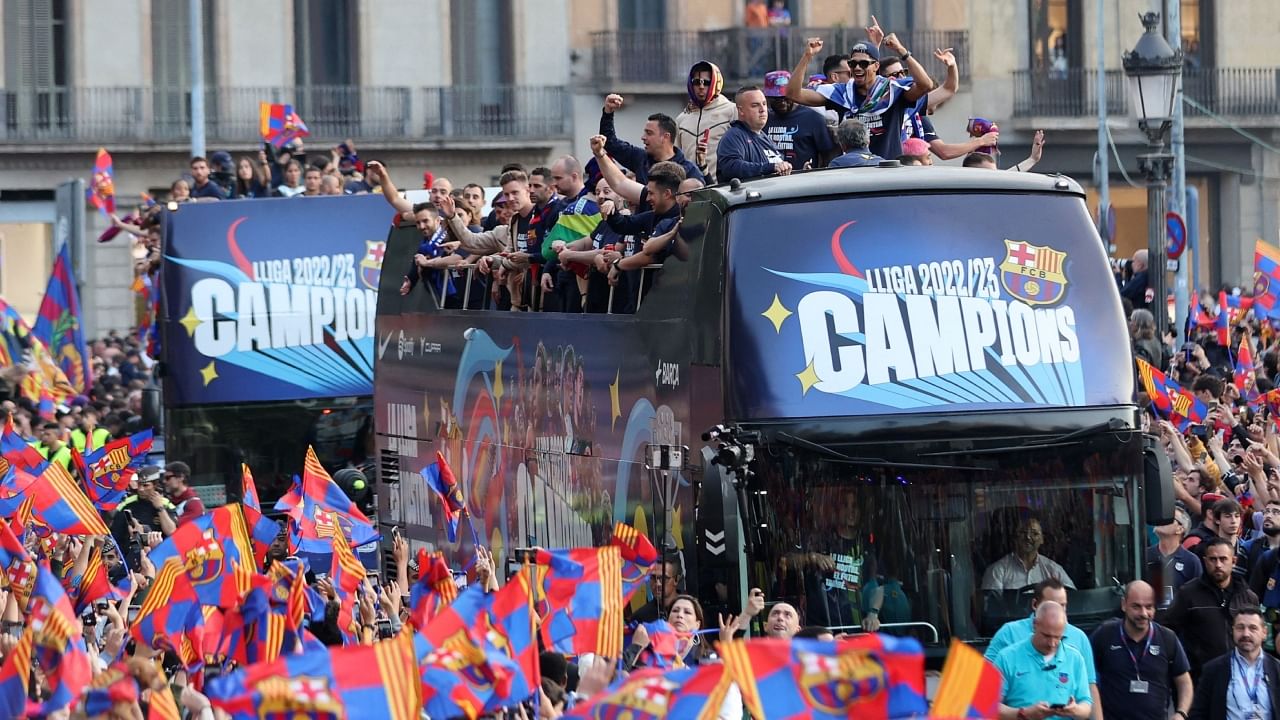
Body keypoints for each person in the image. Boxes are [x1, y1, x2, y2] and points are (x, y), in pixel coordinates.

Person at [784, 36, 932, 160]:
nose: (857, 68)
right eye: (852, 63)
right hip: (856, 173)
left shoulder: (892, 90)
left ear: (876, 66)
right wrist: (807, 57)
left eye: (863, 63)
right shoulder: (842, 93)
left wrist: (902, 51)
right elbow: (793, 94)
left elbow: (926, 84)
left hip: (889, 172)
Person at [1088, 581, 1193, 720]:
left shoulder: (1167, 638)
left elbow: (1184, 682)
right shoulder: (1105, 635)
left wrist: (1181, 713)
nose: (1143, 613)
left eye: (1148, 607)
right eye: (1136, 607)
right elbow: (1087, 679)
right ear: (1124, 605)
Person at [1165, 537, 1260, 680]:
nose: (1218, 565)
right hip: (1200, 677)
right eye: (1213, 559)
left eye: (1223, 559)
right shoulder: (1188, 594)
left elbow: (1258, 637)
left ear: (1233, 561)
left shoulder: (1248, 597)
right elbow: (1168, 631)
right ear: (1205, 561)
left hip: (1242, 676)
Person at [993, 601, 1093, 719]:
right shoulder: (1007, 658)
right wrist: (1024, 713)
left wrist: (1075, 710)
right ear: (1035, 624)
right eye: (1046, 636)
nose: (1052, 643)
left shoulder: (1075, 659)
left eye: (1057, 637)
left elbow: (1086, 705)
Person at [1188, 607, 1280, 720]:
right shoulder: (1213, 670)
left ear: (1264, 633)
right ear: (1233, 630)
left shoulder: (1276, 669)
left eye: (1253, 628)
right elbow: (1198, 714)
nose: (1246, 634)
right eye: (1240, 628)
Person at [599, 95, 704, 183]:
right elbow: (610, 143)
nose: (643, 137)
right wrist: (608, 112)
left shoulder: (689, 171)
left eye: (649, 133)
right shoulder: (640, 159)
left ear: (666, 137)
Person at [715, 86, 790, 184]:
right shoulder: (733, 136)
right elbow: (730, 167)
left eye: (764, 104)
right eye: (755, 105)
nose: (763, 109)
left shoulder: (765, 138)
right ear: (741, 111)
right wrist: (771, 167)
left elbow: (779, 167)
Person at [762, 71, 836, 170]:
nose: (782, 103)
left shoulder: (813, 118)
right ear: (768, 98)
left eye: (786, 97)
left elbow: (827, 154)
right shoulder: (763, 119)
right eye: (776, 99)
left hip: (803, 180)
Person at [676, 61, 737, 180]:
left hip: (722, 187)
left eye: (707, 82)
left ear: (716, 83)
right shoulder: (681, 119)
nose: (701, 87)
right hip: (691, 190)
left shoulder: (732, 111)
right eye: (697, 82)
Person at [982, 517, 1077, 591]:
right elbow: (991, 606)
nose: (1028, 537)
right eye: (1023, 532)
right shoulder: (997, 570)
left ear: (1042, 539)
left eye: (1035, 534)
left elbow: (1071, 600)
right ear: (1015, 537)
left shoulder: (1054, 570)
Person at [1146, 506, 1203, 612]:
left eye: (1168, 518)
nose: (1161, 520)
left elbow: (1197, 599)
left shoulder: (1191, 561)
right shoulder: (1144, 555)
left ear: (1180, 529)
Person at [163, 461, 205, 527]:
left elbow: (178, 529)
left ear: (181, 477)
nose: (164, 481)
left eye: (168, 478)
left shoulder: (194, 503)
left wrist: (162, 513)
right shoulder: (168, 500)